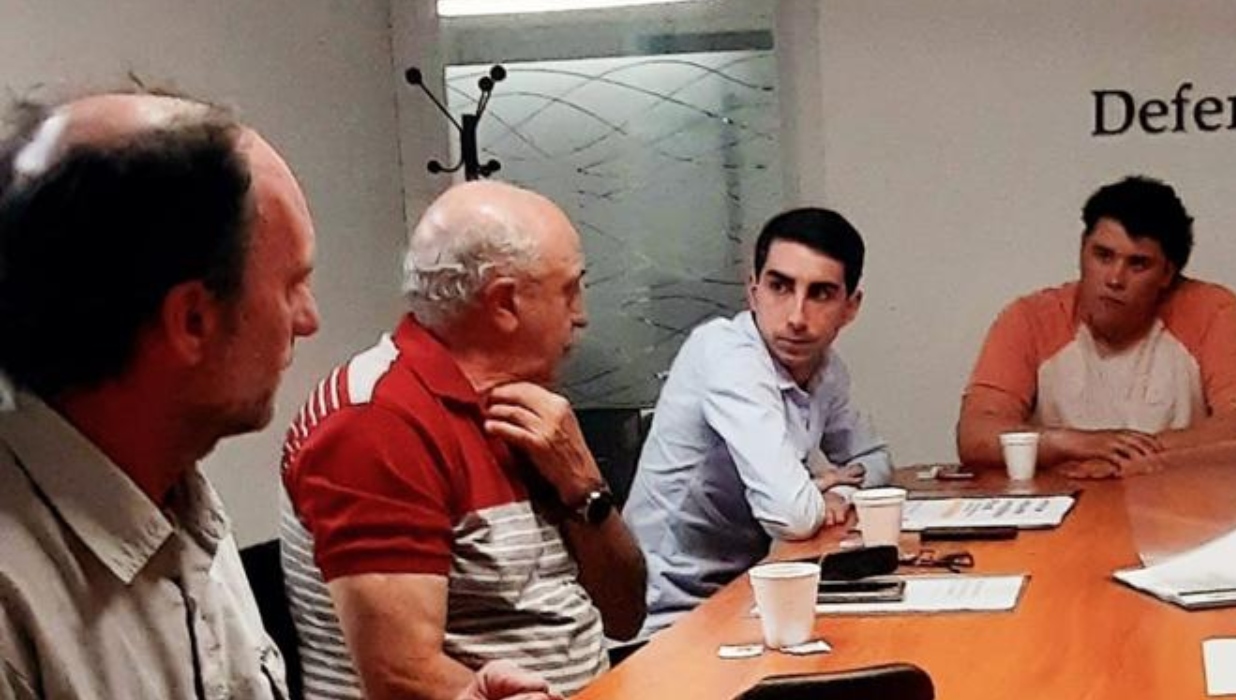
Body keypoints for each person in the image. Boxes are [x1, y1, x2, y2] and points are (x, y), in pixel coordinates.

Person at [0, 92, 319, 698]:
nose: (308, 320)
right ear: (192, 321)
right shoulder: (13, 605)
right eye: (292, 285)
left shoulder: (177, 499)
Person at [279, 181, 646, 699]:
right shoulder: (375, 421)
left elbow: (625, 614)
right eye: (569, 290)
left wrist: (584, 487)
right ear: (504, 302)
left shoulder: (530, 407)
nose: (580, 314)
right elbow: (401, 676)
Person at [624, 207, 889, 638]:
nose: (796, 317)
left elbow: (874, 459)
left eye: (820, 293)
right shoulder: (727, 356)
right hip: (666, 619)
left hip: (751, 597)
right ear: (753, 291)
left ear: (850, 307)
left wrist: (838, 491)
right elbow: (792, 516)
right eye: (779, 287)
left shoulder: (825, 369)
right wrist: (814, 489)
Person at [955, 175, 1236, 479]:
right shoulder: (1030, 318)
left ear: (1167, 274)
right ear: (1082, 250)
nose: (1114, 279)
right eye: (1103, 255)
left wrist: (1129, 455)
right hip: (1064, 502)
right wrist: (1074, 443)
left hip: (1181, 502)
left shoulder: (1212, 310)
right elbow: (976, 434)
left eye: (1138, 264)